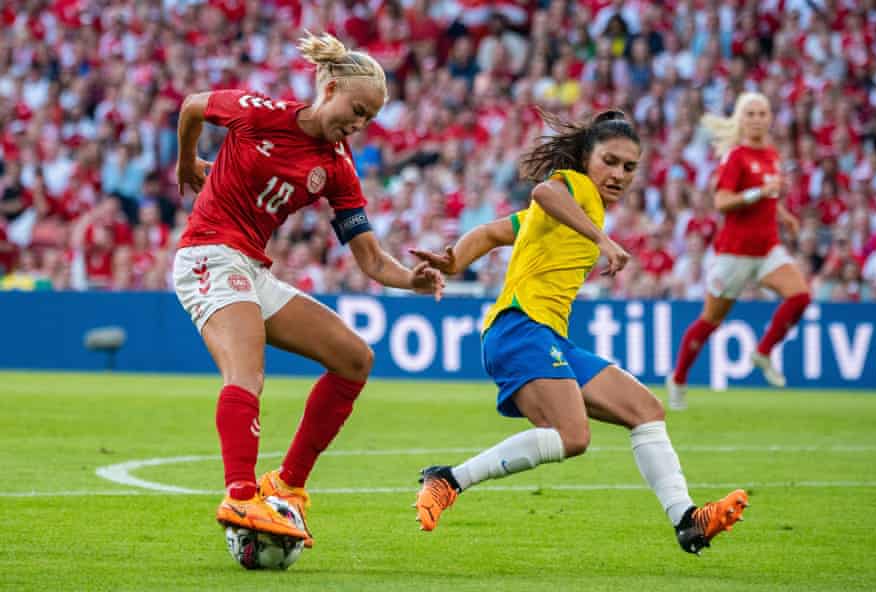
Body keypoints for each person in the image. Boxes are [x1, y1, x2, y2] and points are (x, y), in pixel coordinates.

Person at [410, 110, 748, 555]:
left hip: (548, 336)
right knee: (573, 437)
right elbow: (544, 190)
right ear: (586, 159)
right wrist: (602, 240)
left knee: (645, 410)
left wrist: (455, 261)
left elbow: (494, 232)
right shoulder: (574, 188)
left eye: (629, 167)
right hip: (520, 327)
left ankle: (688, 520)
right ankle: (449, 480)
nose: (619, 174)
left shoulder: (569, 212)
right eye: (610, 160)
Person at [172, 32, 444, 547]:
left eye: (368, 119)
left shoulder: (338, 168)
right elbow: (192, 106)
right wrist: (187, 162)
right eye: (356, 109)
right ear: (331, 85)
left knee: (353, 357)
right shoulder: (260, 112)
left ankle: (288, 485)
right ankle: (240, 493)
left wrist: (411, 279)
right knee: (246, 373)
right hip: (207, 253)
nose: (359, 124)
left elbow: (369, 258)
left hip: (251, 266)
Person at [666, 92, 811, 410]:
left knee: (801, 296)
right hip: (733, 253)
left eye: (763, 113)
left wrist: (783, 215)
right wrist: (760, 192)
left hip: (767, 249)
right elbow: (722, 202)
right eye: (751, 114)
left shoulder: (772, 154)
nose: (758, 119)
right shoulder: (735, 156)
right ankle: (678, 378)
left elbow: (768, 198)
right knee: (710, 320)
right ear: (742, 120)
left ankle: (763, 352)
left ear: (770, 118)